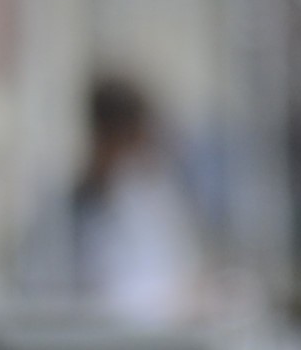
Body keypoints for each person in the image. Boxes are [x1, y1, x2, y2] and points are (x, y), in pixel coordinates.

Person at [67, 74, 206, 327]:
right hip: (124, 340)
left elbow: (181, 267)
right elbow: (112, 300)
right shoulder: (78, 210)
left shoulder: (151, 194)